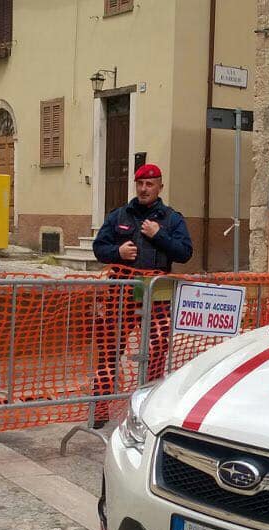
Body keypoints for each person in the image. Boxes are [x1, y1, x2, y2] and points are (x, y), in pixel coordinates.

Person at [90, 164, 193, 427]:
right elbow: (99, 247)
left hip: (157, 297)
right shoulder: (119, 215)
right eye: (140, 184)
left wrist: (159, 236)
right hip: (120, 295)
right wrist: (117, 252)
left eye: (150, 184)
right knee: (109, 350)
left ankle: (147, 407)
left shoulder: (171, 219)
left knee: (157, 350)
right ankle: (99, 408)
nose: (144, 189)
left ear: (160, 186)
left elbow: (184, 252)